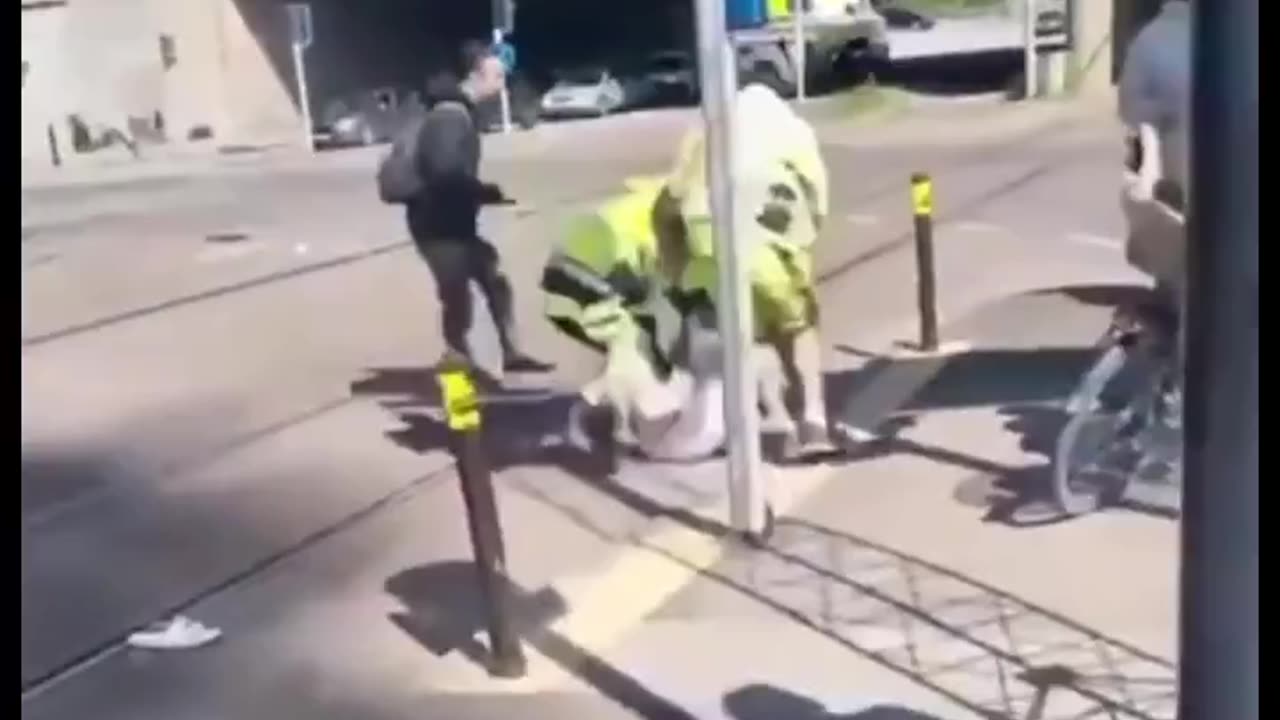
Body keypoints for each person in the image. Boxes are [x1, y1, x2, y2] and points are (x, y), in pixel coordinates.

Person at [661, 84, 838, 456]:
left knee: (735, 333)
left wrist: (676, 273)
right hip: (774, 249)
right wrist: (798, 246)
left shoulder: (704, 133)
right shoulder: (796, 133)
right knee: (797, 329)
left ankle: (772, 417)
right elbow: (818, 201)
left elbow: (669, 203)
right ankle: (813, 419)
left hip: (709, 249)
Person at [406, 51, 550, 374]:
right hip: (438, 226)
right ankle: (457, 365)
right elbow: (445, 172)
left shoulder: (457, 114)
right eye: (495, 77)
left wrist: (480, 193)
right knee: (458, 298)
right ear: (472, 77)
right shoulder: (450, 118)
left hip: (451, 223)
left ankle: (508, 354)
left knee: (493, 280)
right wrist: (483, 192)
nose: (501, 86)